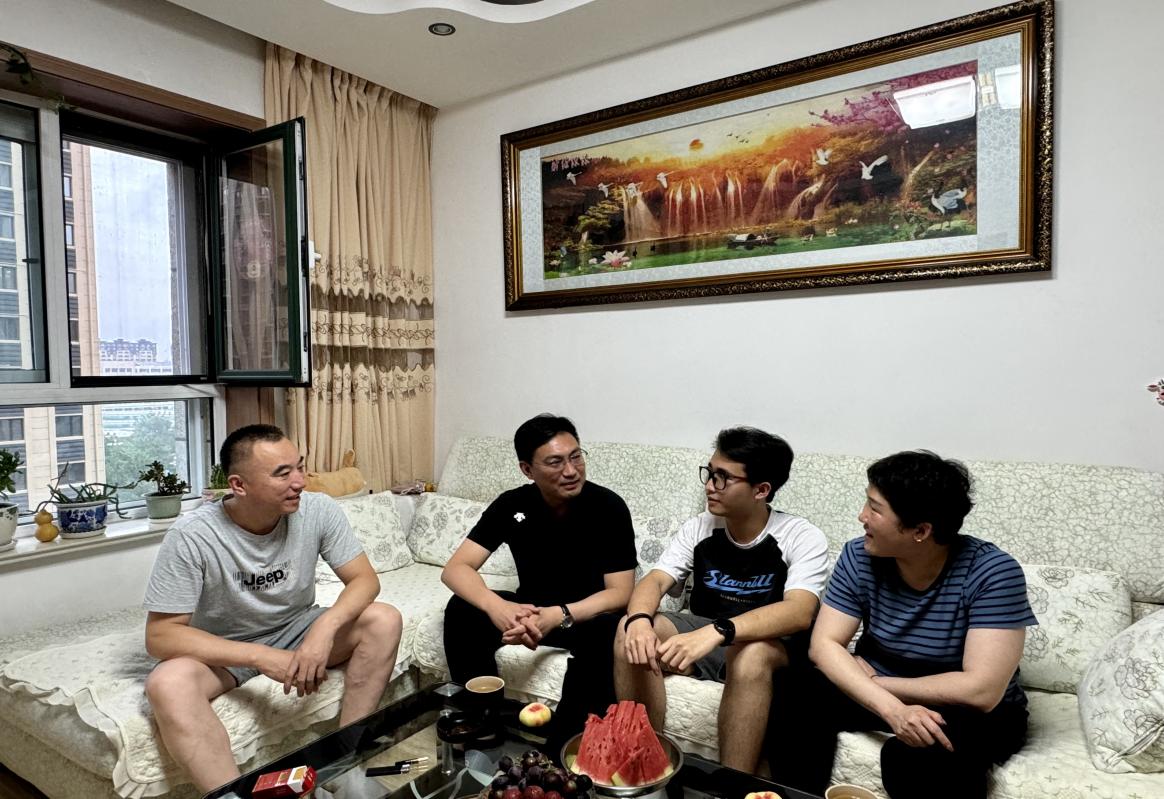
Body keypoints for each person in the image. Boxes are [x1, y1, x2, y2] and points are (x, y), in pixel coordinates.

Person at [143, 425, 403, 793]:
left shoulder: (318, 509)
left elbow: (364, 580)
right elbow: (160, 636)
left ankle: (345, 764)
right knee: (167, 683)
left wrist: (324, 629)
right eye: (283, 474)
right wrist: (261, 657)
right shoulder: (192, 535)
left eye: (299, 467)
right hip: (224, 648)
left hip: (297, 626)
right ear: (239, 485)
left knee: (383, 619)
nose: (300, 481)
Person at [768, 451, 1037, 799]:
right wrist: (891, 708)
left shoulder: (992, 572)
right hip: (881, 687)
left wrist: (879, 683)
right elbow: (824, 646)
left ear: (920, 531)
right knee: (795, 689)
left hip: (970, 710)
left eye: (875, 509)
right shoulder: (859, 556)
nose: (862, 516)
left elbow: (981, 691)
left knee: (916, 756)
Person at [614, 427, 829, 774]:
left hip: (768, 645)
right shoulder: (701, 526)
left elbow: (800, 612)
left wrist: (719, 631)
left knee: (750, 655)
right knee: (630, 628)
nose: (710, 486)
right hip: (707, 634)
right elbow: (655, 580)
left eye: (723, 478)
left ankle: (733, 784)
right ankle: (647, 768)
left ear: (761, 490)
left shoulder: (800, 536)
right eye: (710, 473)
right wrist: (638, 621)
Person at [441, 414, 636, 744]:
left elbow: (620, 592)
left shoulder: (608, 507)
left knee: (611, 632)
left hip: (585, 618)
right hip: (529, 612)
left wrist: (559, 615)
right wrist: (499, 608)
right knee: (462, 609)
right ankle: (481, 721)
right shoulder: (512, 504)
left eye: (576, 457)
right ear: (527, 469)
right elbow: (456, 569)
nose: (571, 471)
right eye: (555, 462)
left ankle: (566, 746)